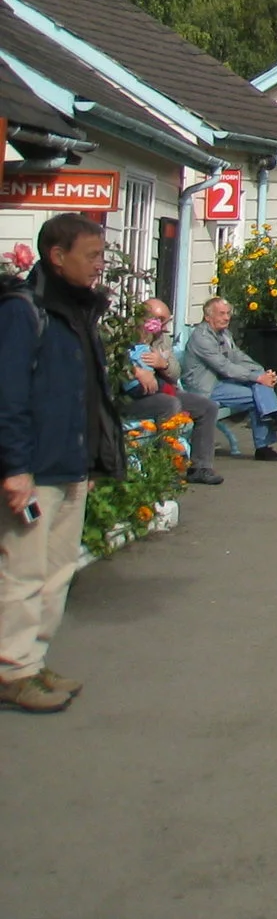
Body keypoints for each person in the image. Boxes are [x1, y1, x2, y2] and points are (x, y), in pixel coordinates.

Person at [0, 213, 121, 713]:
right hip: (36, 468)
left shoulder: (77, 312)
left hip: (71, 462)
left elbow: (88, 391)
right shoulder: (24, 312)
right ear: (56, 255)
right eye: (91, 255)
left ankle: (34, 660)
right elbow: (9, 395)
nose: (99, 265)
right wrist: (14, 467)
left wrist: (92, 460)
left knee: (57, 572)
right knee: (23, 573)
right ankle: (13, 670)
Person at [120, 297, 226, 485]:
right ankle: (166, 467)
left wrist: (163, 364)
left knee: (206, 407)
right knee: (169, 404)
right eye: (163, 322)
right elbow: (109, 364)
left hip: (162, 390)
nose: (167, 328)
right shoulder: (123, 336)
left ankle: (200, 467)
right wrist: (137, 372)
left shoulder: (162, 340)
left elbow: (176, 372)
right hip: (130, 397)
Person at [179, 298, 277, 460]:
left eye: (228, 313)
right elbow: (224, 366)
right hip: (204, 387)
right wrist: (258, 377)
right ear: (208, 317)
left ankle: (273, 422)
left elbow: (237, 357)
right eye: (221, 314)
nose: (227, 318)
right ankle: (269, 432)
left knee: (261, 388)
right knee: (259, 396)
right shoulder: (202, 338)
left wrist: (261, 372)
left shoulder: (224, 334)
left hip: (221, 383)